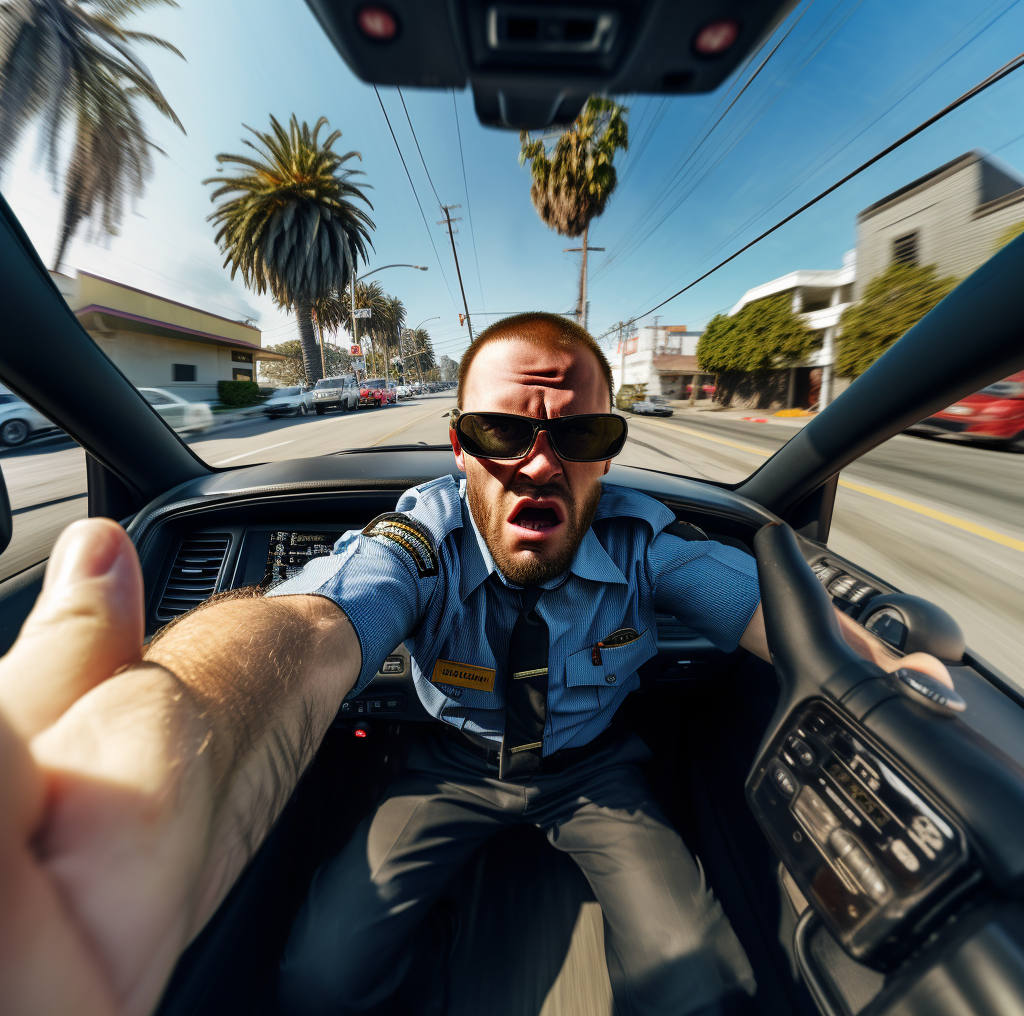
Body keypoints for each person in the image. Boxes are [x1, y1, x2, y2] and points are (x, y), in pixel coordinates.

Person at [0, 314, 952, 1016]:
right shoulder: (419, 540)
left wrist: (884, 672)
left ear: (607, 458)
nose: (539, 465)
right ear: (459, 449)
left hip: (596, 775)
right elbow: (318, 623)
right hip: (445, 769)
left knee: (701, 983)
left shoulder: (645, 542)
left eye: (579, 435)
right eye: (502, 433)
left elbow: (771, 616)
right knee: (317, 983)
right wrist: (183, 726)